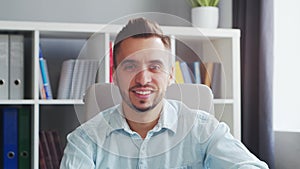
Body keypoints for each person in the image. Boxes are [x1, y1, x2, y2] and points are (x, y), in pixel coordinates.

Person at [60, 17, 269, 169]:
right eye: (131, 66)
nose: (143, 79)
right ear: (115, 75)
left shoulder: (204, 130)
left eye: (155, 67)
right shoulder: (85, 140)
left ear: (170, 75)